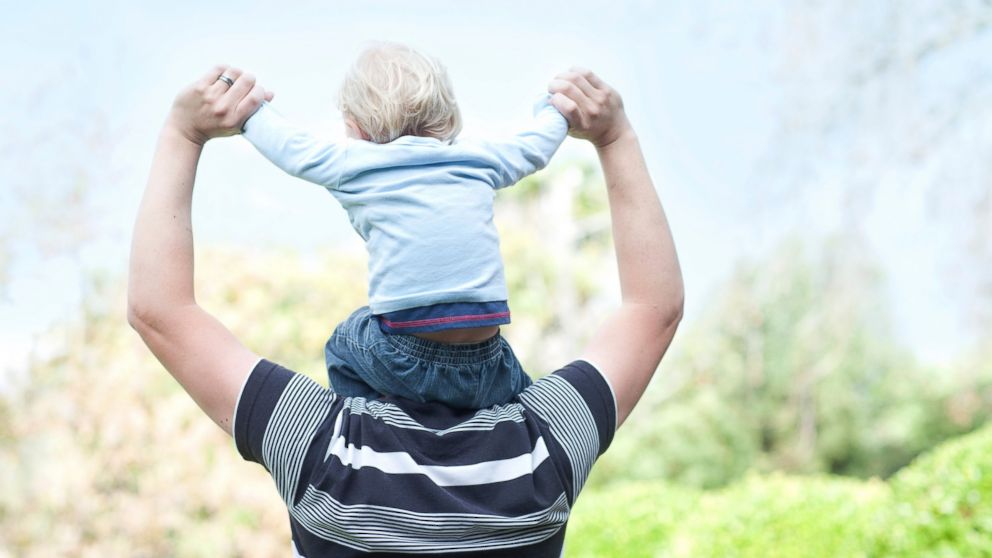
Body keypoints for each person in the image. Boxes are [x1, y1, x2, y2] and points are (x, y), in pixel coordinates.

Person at [128, 64, 683, 556]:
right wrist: (615, 138)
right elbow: (652, 310)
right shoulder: (541, 455)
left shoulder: (325, 454)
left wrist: (184, 132)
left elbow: (161, 311)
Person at [241, 42, 568, 409]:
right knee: (523, 401)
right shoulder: (478, 159)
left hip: (403, 358)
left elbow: (290, 147)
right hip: (489, 362)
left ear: (356, 126)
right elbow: (535, 147)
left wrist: (250, 111)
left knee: (343, 344)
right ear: (446, 116)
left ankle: (374, 425)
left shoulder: (356, 164)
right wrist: (555, 110)